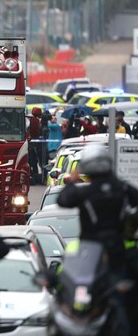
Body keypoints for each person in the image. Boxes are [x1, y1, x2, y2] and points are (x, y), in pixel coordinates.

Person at [57, 144, 138, 336]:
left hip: (91, 252)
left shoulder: (86, 192)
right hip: (116, 251)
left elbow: (63, 200)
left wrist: (71, 181)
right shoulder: (123, 189)